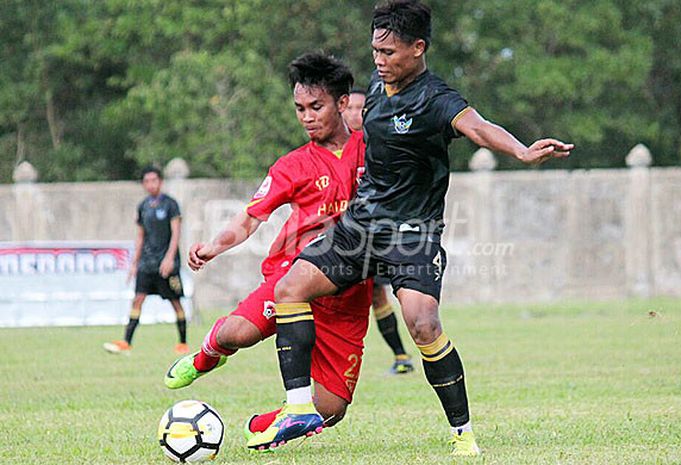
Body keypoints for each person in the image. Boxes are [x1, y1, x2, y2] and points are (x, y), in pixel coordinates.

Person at [249, 0, 575, 456]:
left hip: (413, 235)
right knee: (290, 289)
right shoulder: (379, 90)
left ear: (418, 48)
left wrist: (521, 151)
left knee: (422, 323)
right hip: (360, 227)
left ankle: (462, 433)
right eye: (375, 51)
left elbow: (478, 127)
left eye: (389, 52)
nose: (379, 60)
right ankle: (298, 406)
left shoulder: (437, 100)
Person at [163, 53, 372, 445]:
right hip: (294, 278)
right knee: (237, 334)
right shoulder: (292, 165)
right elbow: (249, 219)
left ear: (342, 103)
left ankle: (264, 426)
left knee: (333, 407)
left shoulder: (374, 152)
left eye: (316, 107)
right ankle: (205, 356)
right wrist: (213, 246)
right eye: (299, 109)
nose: (306, 117)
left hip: (348, 296)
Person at [344, 88, 415, 375]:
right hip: (348, 234)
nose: (354, 113)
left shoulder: (378, 143)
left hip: (380, 232)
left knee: (387, 294)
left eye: (361, 107)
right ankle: (400, 356)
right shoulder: (336, 146)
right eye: (348, 108)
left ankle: (403, 355)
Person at [103, 166, 189, 355]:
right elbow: (140, 236)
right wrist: (134, 263)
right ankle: (126, 342)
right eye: (147, 181)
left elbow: (176, 234)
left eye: (154, 180)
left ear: (160, 182)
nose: (151, 184)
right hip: (147, 263)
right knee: (138, 299)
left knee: (175, 301)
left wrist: (169, 258)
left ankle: (183, 342)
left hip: (166, 263)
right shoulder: (143, 206)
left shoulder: (171, 204)